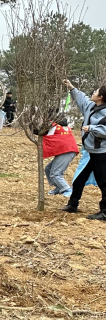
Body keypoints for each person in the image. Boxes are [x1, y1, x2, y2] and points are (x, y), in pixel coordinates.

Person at [61, 79, 106, 219]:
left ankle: (105, 212)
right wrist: (71, 87)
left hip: (102, 153)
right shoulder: (91, 106)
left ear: (101, 97)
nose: (93, 92)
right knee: (80, 179)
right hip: (91, 151)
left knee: (104, 182)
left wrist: (91, 128)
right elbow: (82, 99)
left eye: (96, 91)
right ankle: (72, 205)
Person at [41, 112, 78, 197]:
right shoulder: (62, 126)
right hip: (65, 150)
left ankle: (67, 189)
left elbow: (40, 132)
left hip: (67, 151)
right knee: (48, 169)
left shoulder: (53, 126)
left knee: (55, 173)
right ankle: (59, 187)